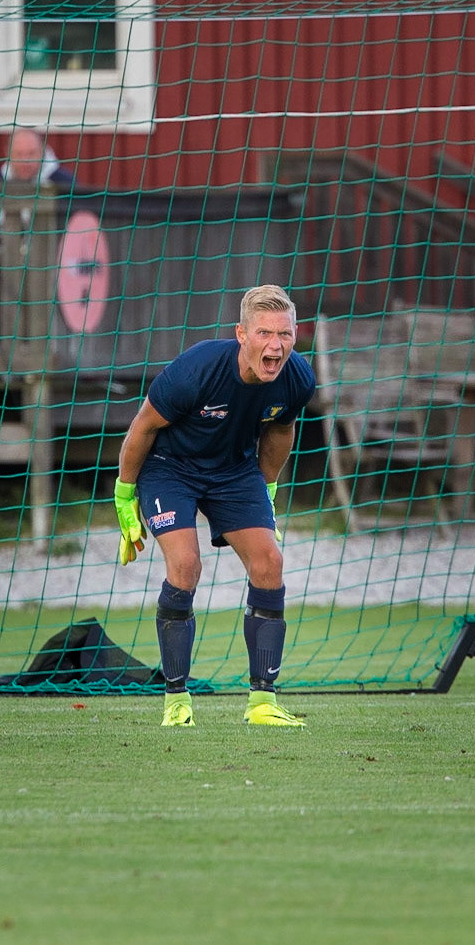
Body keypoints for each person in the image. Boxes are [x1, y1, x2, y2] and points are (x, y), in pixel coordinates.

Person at [113, 285, 316, 728]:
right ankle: (176, 701)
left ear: (296, 334)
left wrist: (267, 489)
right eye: (264, 333)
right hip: (170, 469)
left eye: (284, 334)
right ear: (242, 335)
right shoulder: (197, 369)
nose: (276, 346)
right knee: (185, 565)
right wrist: (125, 494)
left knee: (270, 563)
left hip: (234, 472)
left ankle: (262, 703)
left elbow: (280, 429)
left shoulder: (298, 378)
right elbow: (143, 427)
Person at [0, 128, 77, 189]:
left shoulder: (65, 183)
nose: (25, 161)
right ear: (8, 154)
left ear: (42, 152)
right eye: (18, 154)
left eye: (31, 154)